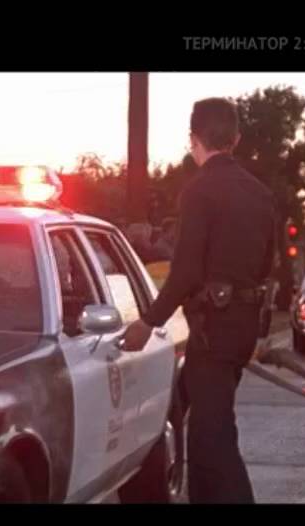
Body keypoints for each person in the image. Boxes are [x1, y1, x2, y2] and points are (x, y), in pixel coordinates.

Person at [120, 98, 276, 503]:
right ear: (235, 139)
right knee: (203, 431)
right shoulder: (260, 193)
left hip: (213, 331)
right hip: (242, 327)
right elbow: (268, 265)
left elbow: (186, 271)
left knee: (214, 440)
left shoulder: (199, 190)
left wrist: (148, 322)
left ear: (193, 139)